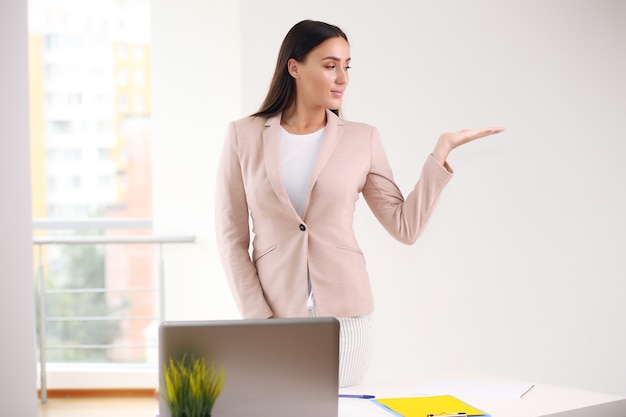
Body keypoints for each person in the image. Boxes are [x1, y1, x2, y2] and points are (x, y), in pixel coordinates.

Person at [215, 19, 504, 387]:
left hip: (346, 317)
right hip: (273, 315)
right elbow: (231, 238)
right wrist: (259, 318)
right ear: (294, 68)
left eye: (347, 66)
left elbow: (405, 226)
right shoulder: (244, 135)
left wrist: (439, 154)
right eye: (330, 65)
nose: (343, 78)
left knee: (344, 408)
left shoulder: (362, 139)